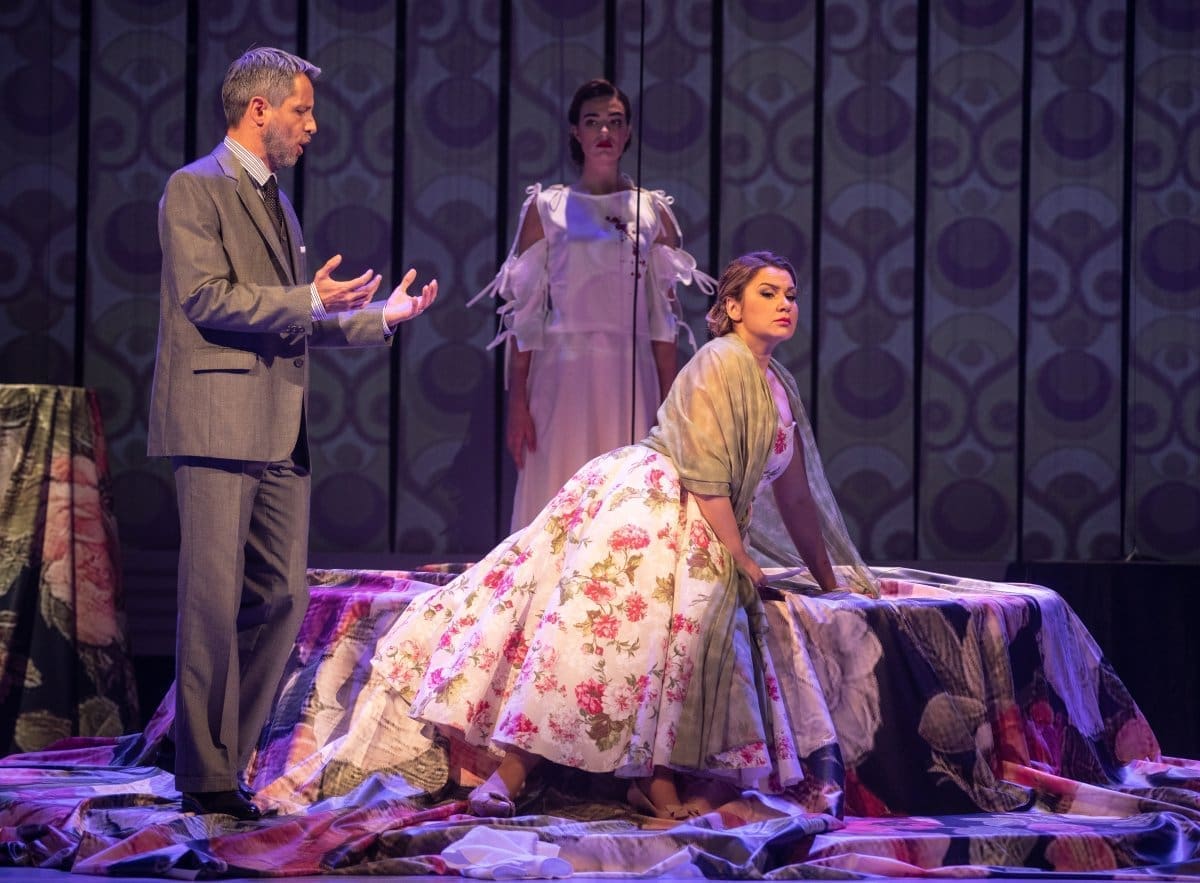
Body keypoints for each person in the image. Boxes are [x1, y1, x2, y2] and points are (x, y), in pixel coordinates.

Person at [372, 251, 876, 821]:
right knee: (600, 627)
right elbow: (705, 473)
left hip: (702, 518)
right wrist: (740, 556)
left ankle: (652, 778)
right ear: (732, 307)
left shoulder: (776, 384)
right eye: (768, 293)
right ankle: (514, 772)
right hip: (656, 502)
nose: (785, 304)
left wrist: (829, 582)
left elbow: (797, 497)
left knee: (673, 639)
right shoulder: (719, 361)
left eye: (791, 295)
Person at [147, 46, 438, 821]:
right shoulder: (195, 187)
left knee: (280, 596)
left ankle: (225, 759)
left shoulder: (278, 200)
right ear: (259, 110)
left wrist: (377, 318)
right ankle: (204, 773)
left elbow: (292, 317)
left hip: (278, 426)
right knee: (212, 602)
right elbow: (208, 298)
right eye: (301, 111)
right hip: (216, 421)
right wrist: (307, 299)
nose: (311, 125)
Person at [470, 78, 715, 532]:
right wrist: (518, 400)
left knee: (628, 490)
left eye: (615, 122)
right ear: (576, 133)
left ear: (628, 133)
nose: (604, 131)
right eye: (593, 121)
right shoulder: (548, 207)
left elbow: (663, 322)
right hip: (562, 373)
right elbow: (526, 314)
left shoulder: (651, 211)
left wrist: (669, 405)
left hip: (630, 372)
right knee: (558, 486)